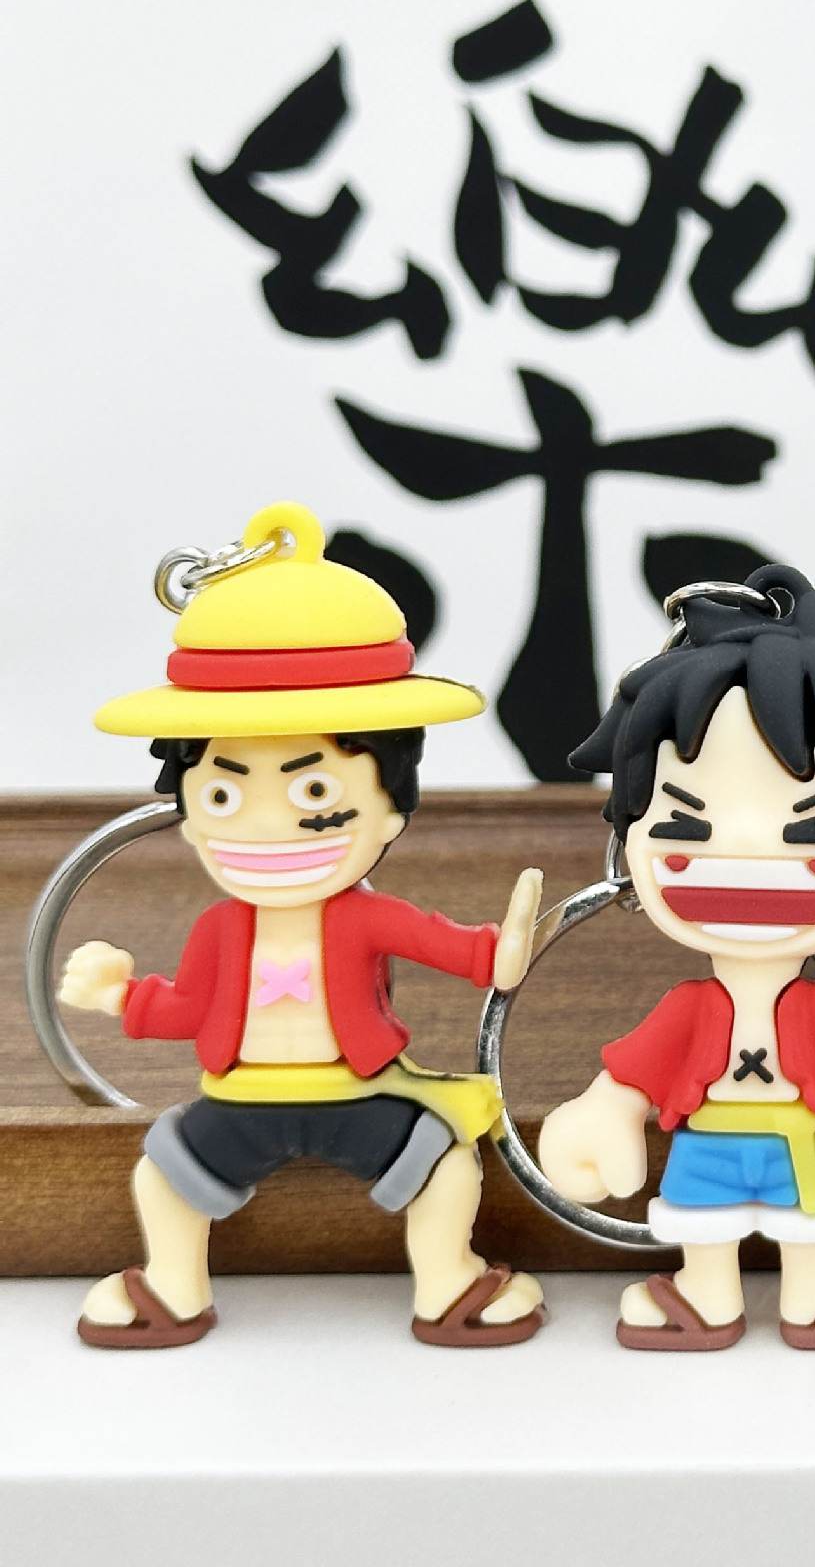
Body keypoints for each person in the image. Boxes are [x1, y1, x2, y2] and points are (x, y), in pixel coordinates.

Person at [61, 502, 546, 1348]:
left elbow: (447, 946)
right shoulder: (220, 930)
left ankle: (447, 1285)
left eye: (314, 791)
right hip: (241, 1100)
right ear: (185, 809)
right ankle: (172, 1287)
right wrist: (120, 997)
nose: (263, 826)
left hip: (358, 1094)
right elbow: (187, 1009)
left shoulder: (368, 915)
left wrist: (501, 953)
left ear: (389, 807)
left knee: (444, 1164)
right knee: (162, 1176)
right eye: (222, 793)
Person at [537, 565, 815, 1348]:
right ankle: (706, 1300)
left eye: (813, 830)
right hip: (706, 1145)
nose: (741, 847)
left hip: (801, 1144)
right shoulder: (690, 1009)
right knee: (701, 1231)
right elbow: (632, 1075)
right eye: (686, 824)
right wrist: (602, 1116)